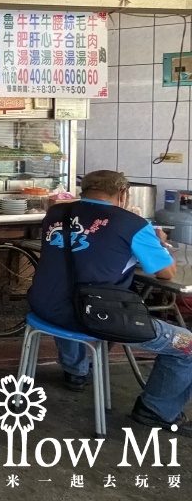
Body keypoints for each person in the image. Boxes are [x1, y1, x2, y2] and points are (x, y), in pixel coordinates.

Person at [27, 170, 192, 436]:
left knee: (70, 294)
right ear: (123, 194)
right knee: (187, 344)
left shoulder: (56, 213)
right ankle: (156, 410)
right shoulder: (134, 224)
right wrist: (157, 243)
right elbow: (166, 273)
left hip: (44, 307)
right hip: (93, 316)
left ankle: (76, 372)